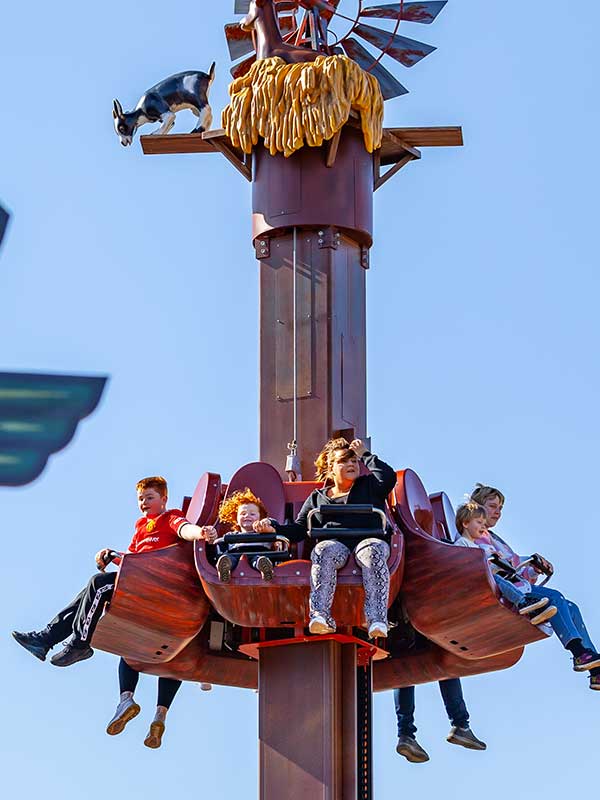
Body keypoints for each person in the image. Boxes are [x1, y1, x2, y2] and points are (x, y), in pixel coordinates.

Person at [12, 475, 212, 669]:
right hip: (138, 579)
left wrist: (200, 533)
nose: (144, 502)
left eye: (149, 498)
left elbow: (184, 529)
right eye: (140, 499)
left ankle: (80, 644)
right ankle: (45, 639)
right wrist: (111, 555)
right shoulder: (141, 526)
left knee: (99, 583)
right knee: (86, 595)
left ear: (164, 499)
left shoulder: (169, 517)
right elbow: (132, 558)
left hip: (158, 584)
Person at [255, 437, 395, 639]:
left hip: (369, 540)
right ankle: (320, 616)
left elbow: (388, 477)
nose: (350, 465)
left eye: (353, 461)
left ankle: (377, 619)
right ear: (331, 468)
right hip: (337, 545)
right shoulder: (317, 498)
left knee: (371, 552)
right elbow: (299, 529)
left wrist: (365, 454)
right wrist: (273, 529)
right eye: (343, 461)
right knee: (322, 550)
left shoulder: (369, 486)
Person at [470, 484, 600, 691]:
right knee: (555, 598)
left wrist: (532, 566)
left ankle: (595, 670)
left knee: (572, 607)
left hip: (514, 583)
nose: (498, 512)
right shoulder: (472, 531)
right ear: (476, 507)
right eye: (493, 506)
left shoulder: (494, 538)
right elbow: (488, 561)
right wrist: (522, 563)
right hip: (497, 587)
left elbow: (513, 566)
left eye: (500, 508)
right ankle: (578, 652)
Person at [454, 501, 558, 625]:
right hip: (471, 582)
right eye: (479, 522)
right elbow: (461, 565)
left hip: (482, 579)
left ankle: (533, 611)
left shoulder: (476, 547)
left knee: (499, 579)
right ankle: (523, 602)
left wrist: (495, 562)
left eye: (484, 523)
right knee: (498, 579)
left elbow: (485, 567)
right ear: (465, 523)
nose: (483, 526)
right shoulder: (462, 543)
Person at [202, 488, 276, 582]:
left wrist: (268, 525)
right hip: (236, 555)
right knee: (229, 558)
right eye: (243, 514)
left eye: (252, 514)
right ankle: (225, 568)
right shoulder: (231, 535)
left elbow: (275, 531)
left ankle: (264, 567)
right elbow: (220, 546)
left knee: (258, 559)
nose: (247, 516)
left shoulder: (264, 533)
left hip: (258, 552)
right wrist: (213, 540)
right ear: (236, 518)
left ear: (261, 517)